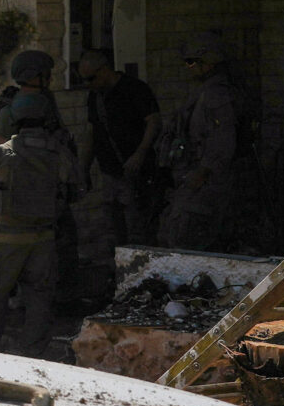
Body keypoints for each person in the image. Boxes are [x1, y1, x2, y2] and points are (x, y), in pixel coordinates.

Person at [0, 94, 80, 356]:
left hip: (6, 241)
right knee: (40, 300)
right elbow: (75, 193)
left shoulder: (3, 152)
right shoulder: (59, 153)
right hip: (43, 240)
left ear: (15, 119)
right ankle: (33, 356)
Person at [75, 48, 162, 263]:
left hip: (135, 173)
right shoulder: (96, 98)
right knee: (114, 231)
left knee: (138, 230)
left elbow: (154, 121)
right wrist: (83, 169)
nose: (88, 84)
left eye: (91, 78)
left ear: (104, 70)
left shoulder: (134, 89)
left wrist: (140, 153)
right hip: (110, 173)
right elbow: (92, 133)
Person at [160, 32, 243, 250]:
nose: (188, 68)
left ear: (207, 63)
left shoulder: (216, 94)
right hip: (195, 175)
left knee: (186, 234)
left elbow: (223, 141)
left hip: (207, 180)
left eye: (191, 62)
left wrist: (203, 171)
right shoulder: (202, 92)